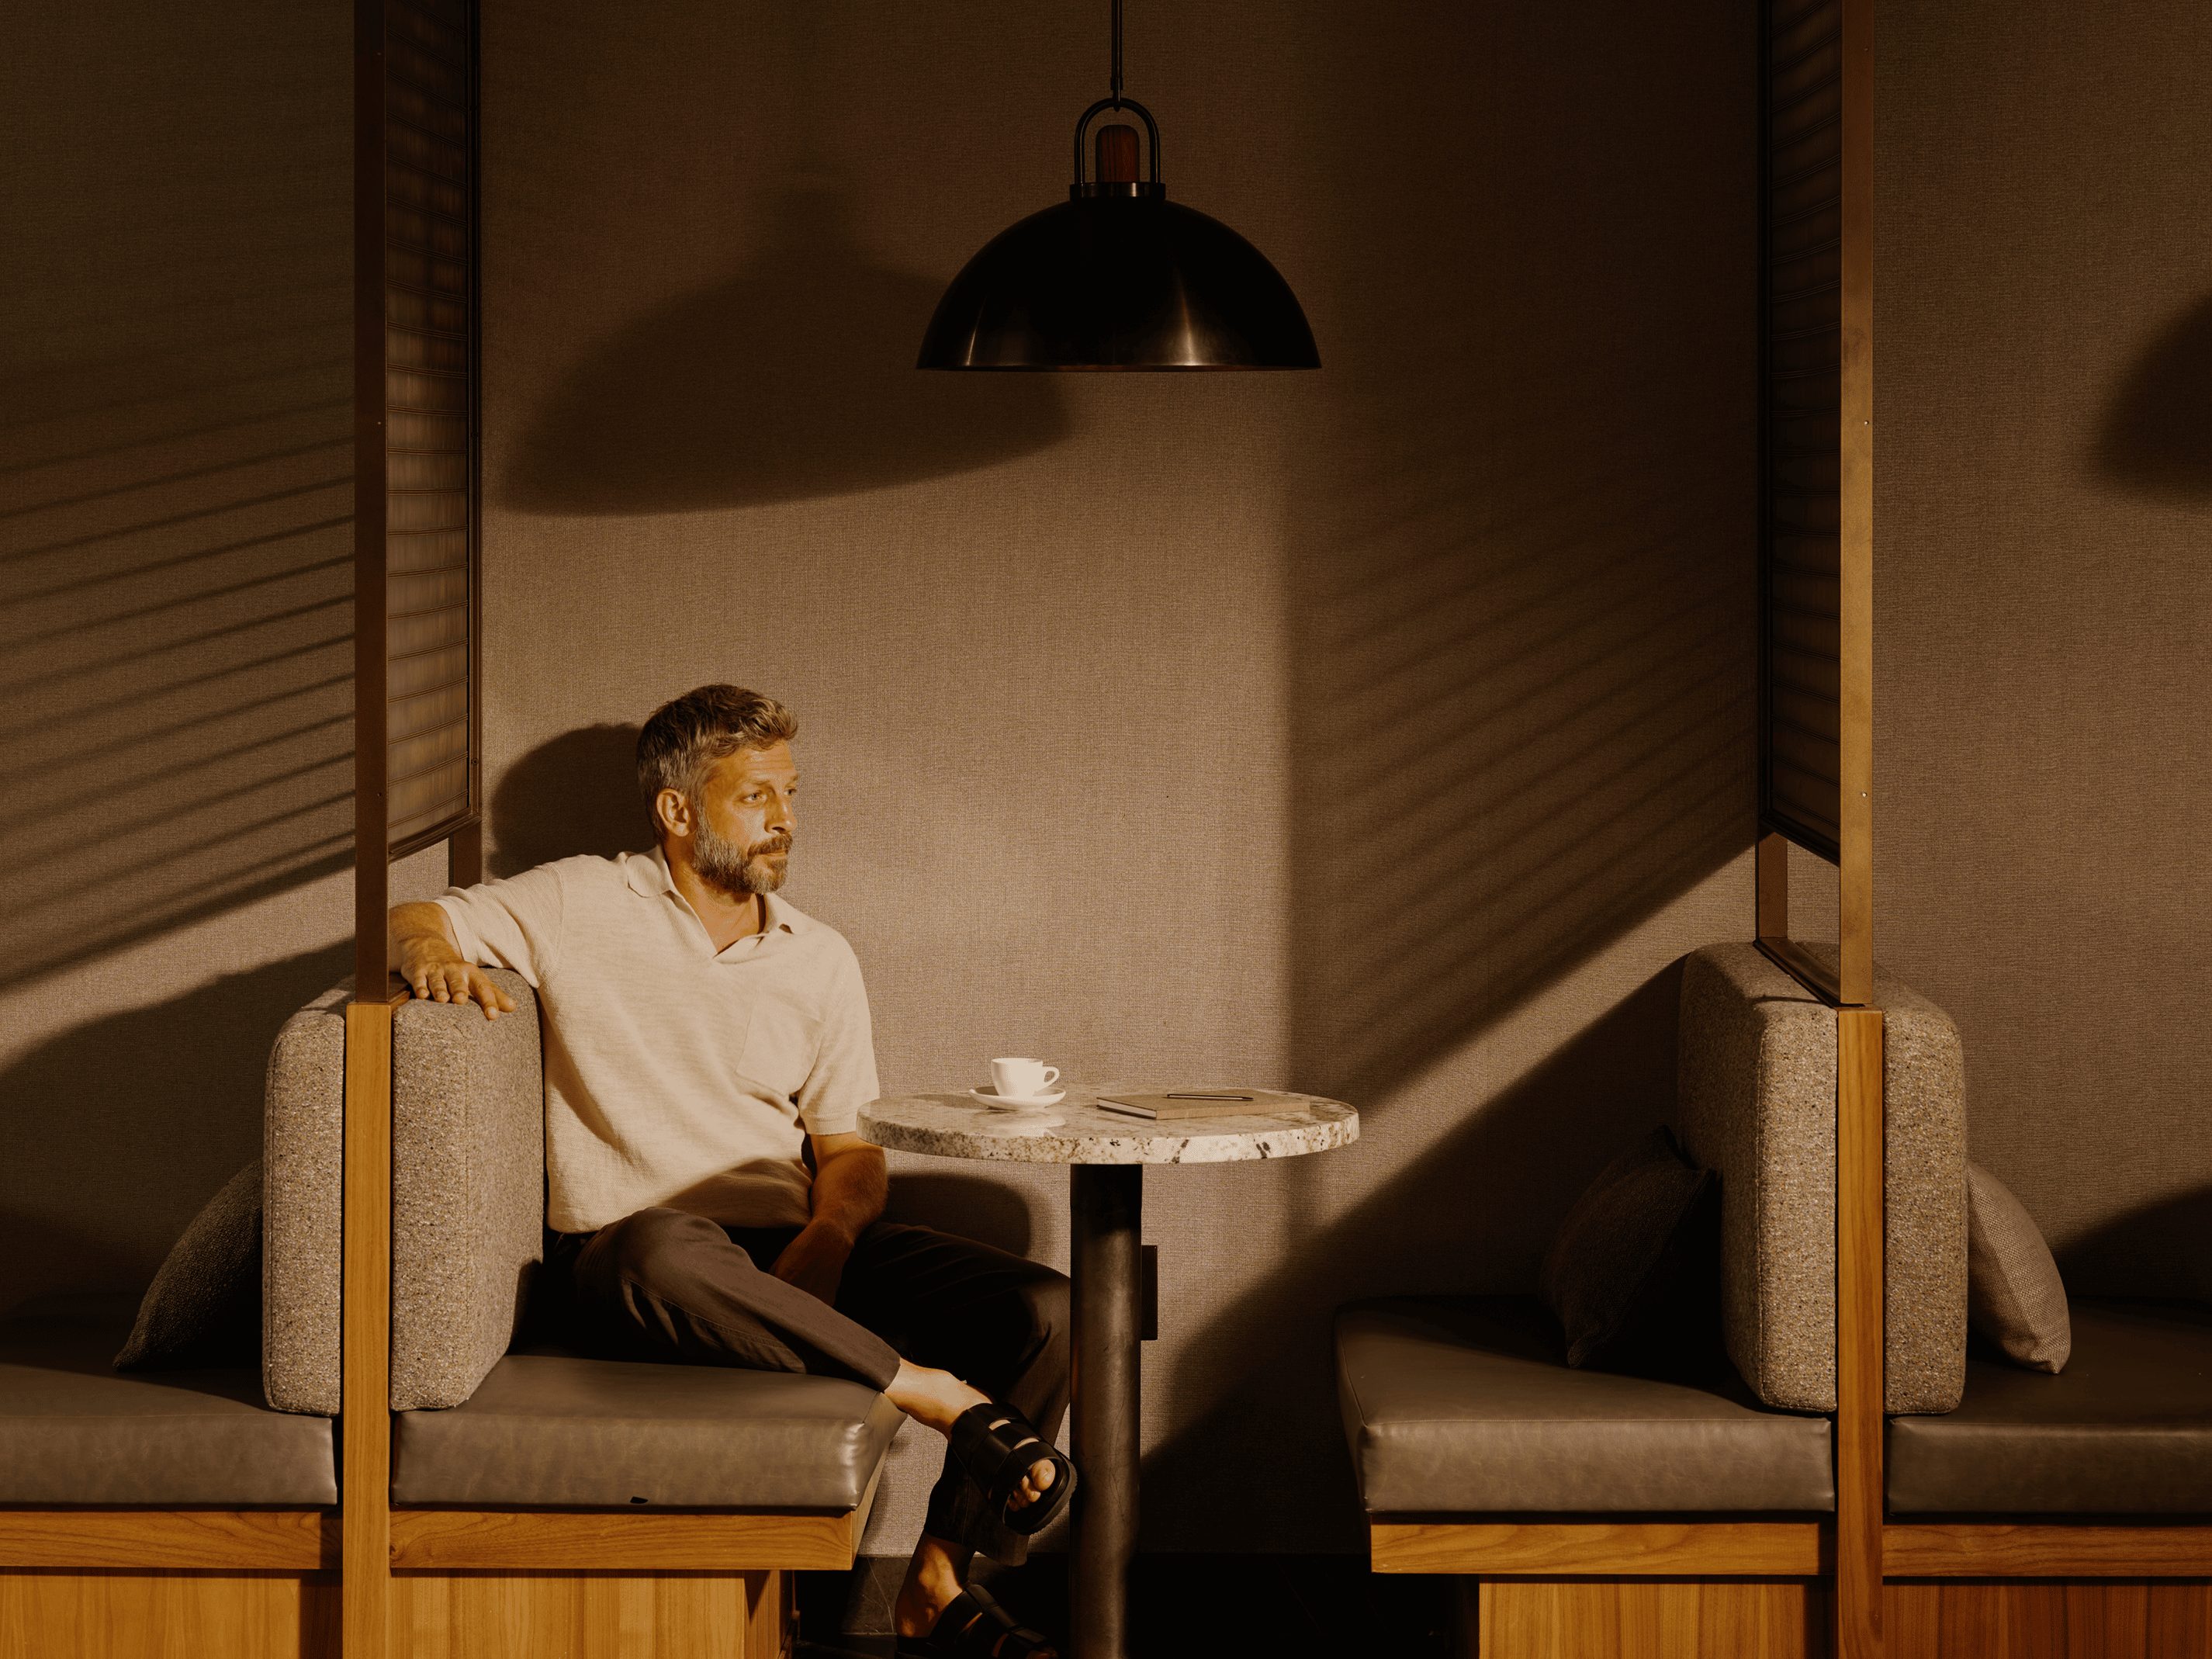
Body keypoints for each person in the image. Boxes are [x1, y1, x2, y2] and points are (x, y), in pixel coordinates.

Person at [389, 684, 1069, 1659]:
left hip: (784, 1249)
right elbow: (415, 915)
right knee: (660, 1245)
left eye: (790, 792)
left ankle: (935, 1577)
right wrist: (429, 959)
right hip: (640, 1265)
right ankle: (931, 1391)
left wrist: (828, 1238)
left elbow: (849, 1150)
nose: (784, 818)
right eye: (756, 796)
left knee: (1045, 1303)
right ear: (677, 810)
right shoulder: (581, 898)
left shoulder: (820, 956)